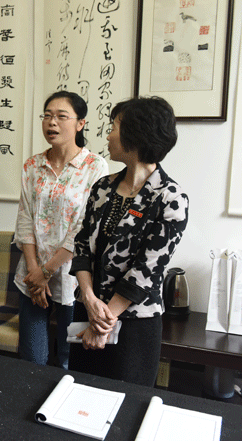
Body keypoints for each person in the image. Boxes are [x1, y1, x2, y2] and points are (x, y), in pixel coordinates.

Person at [68, 96, 189, 387]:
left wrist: (103, 323)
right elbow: (82, 245)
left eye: (114, 127)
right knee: (80, 399)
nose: (108, 135)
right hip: (87, 311)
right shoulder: (102, 187)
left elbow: (146, 270)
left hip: (134, 324)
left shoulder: (171, 198)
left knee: (127, 404)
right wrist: (89, 300)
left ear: (136, 134)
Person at [14, 91, 108, 369]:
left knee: (71, 357)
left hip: (73, 278)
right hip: (31, 275)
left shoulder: (95, 166)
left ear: (80, 123)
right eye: (47, 115)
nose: (51, 122)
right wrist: (35, 271)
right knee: (32, 358)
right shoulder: (33, 165)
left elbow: (84, 227)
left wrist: (47, 271)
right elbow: (25, 217)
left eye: (61, 116)